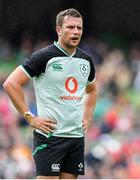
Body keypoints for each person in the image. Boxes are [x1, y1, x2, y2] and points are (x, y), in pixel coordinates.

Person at [3, 8, 98, 179]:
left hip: (75, 138)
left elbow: (92, 90)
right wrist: (30, 117)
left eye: (79, 28)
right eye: (70, 27)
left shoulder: (86, 60)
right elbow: (11, 83)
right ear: (59, 30)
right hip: (50, 137)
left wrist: (88, 117)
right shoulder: (44, 57)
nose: (76, 32)